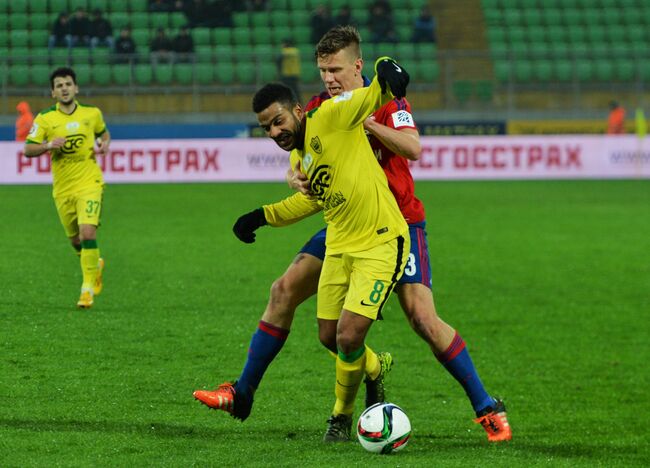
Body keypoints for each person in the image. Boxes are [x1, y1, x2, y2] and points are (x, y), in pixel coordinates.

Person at [194, 26, 511, 443]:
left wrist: (367, 126)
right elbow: (304, 157)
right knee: (285, 292)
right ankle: (244, 390)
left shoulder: (387, 104)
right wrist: (296, 176)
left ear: (357, 66)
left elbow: (413, 148)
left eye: (336, 69)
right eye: (323, 70)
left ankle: (486, 406)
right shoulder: (317, 109)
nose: (329, 78)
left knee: (421, 316)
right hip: (343, 224)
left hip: (398, 221)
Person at [195, 49, 412, 441]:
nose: (275, 131)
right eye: (266, 128)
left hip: (381, 242)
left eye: (278, 120)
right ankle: (375, 369)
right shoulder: (303, 153)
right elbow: (310, 200)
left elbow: (378, 92)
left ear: (297, 110)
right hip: (340, 246)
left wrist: (385, 67)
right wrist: (262, 215)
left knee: (347, 336)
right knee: (329, 337)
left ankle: (341, 417)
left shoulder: (332, 115)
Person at [23, 67, 109, 309]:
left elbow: (104, 134)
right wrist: (49, 145)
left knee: (88, 233)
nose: (64, 88)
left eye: (68, 84)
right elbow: (28, 149)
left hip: (89, 182)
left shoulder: (92, 114)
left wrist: (103, 145)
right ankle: (95, 264)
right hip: (62, 189)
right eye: (59, 85)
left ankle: (87, 289)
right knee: (75, 241)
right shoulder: (44, 119)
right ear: (53, 92)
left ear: (76, 88)